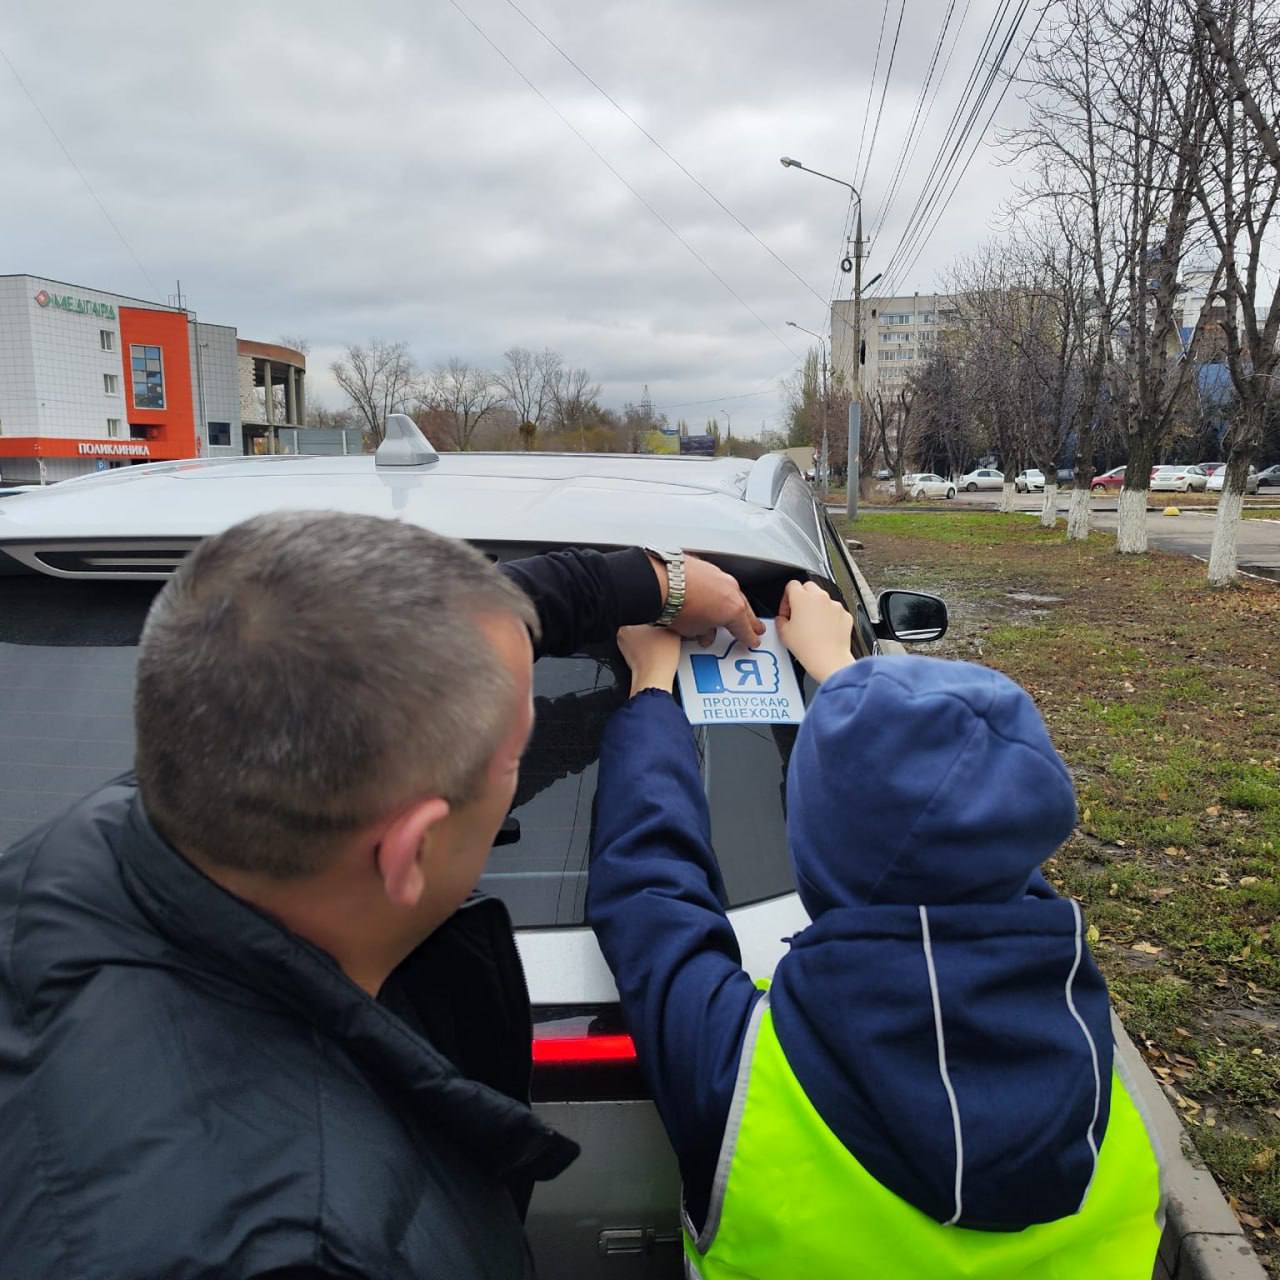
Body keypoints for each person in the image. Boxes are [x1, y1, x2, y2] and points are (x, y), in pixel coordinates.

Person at [0, 511, 762, 1280]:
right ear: (410, 851)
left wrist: (643, 583)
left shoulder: (92, 846)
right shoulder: (318, 1251)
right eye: (516, 755)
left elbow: (389, 652)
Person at [587, 581, 1164, 1279]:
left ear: (814, 851)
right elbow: (985, 855)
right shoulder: (1096, 1068)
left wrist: (652, 685)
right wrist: (841, 679)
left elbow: (650, 886)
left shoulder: (737, 1070)